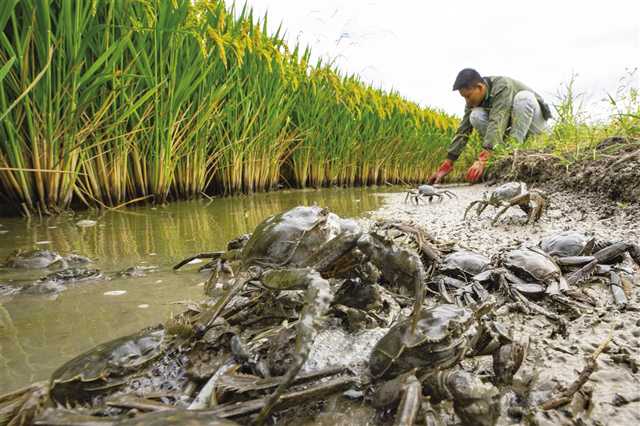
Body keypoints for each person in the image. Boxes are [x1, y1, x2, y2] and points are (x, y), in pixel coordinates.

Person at [429, 68, 551, 184]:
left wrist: (483, 158)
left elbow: (497, 120)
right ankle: (501, 153)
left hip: (535, 126)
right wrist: (448, 163)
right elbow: (463, 130)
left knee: (523, 98)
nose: (467, 101)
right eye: (464, 97)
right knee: (475, 115)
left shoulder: (502, 86)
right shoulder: (472, 101)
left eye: (468, 96)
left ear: (480, 87)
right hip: (511, 129)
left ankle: (513, 154)